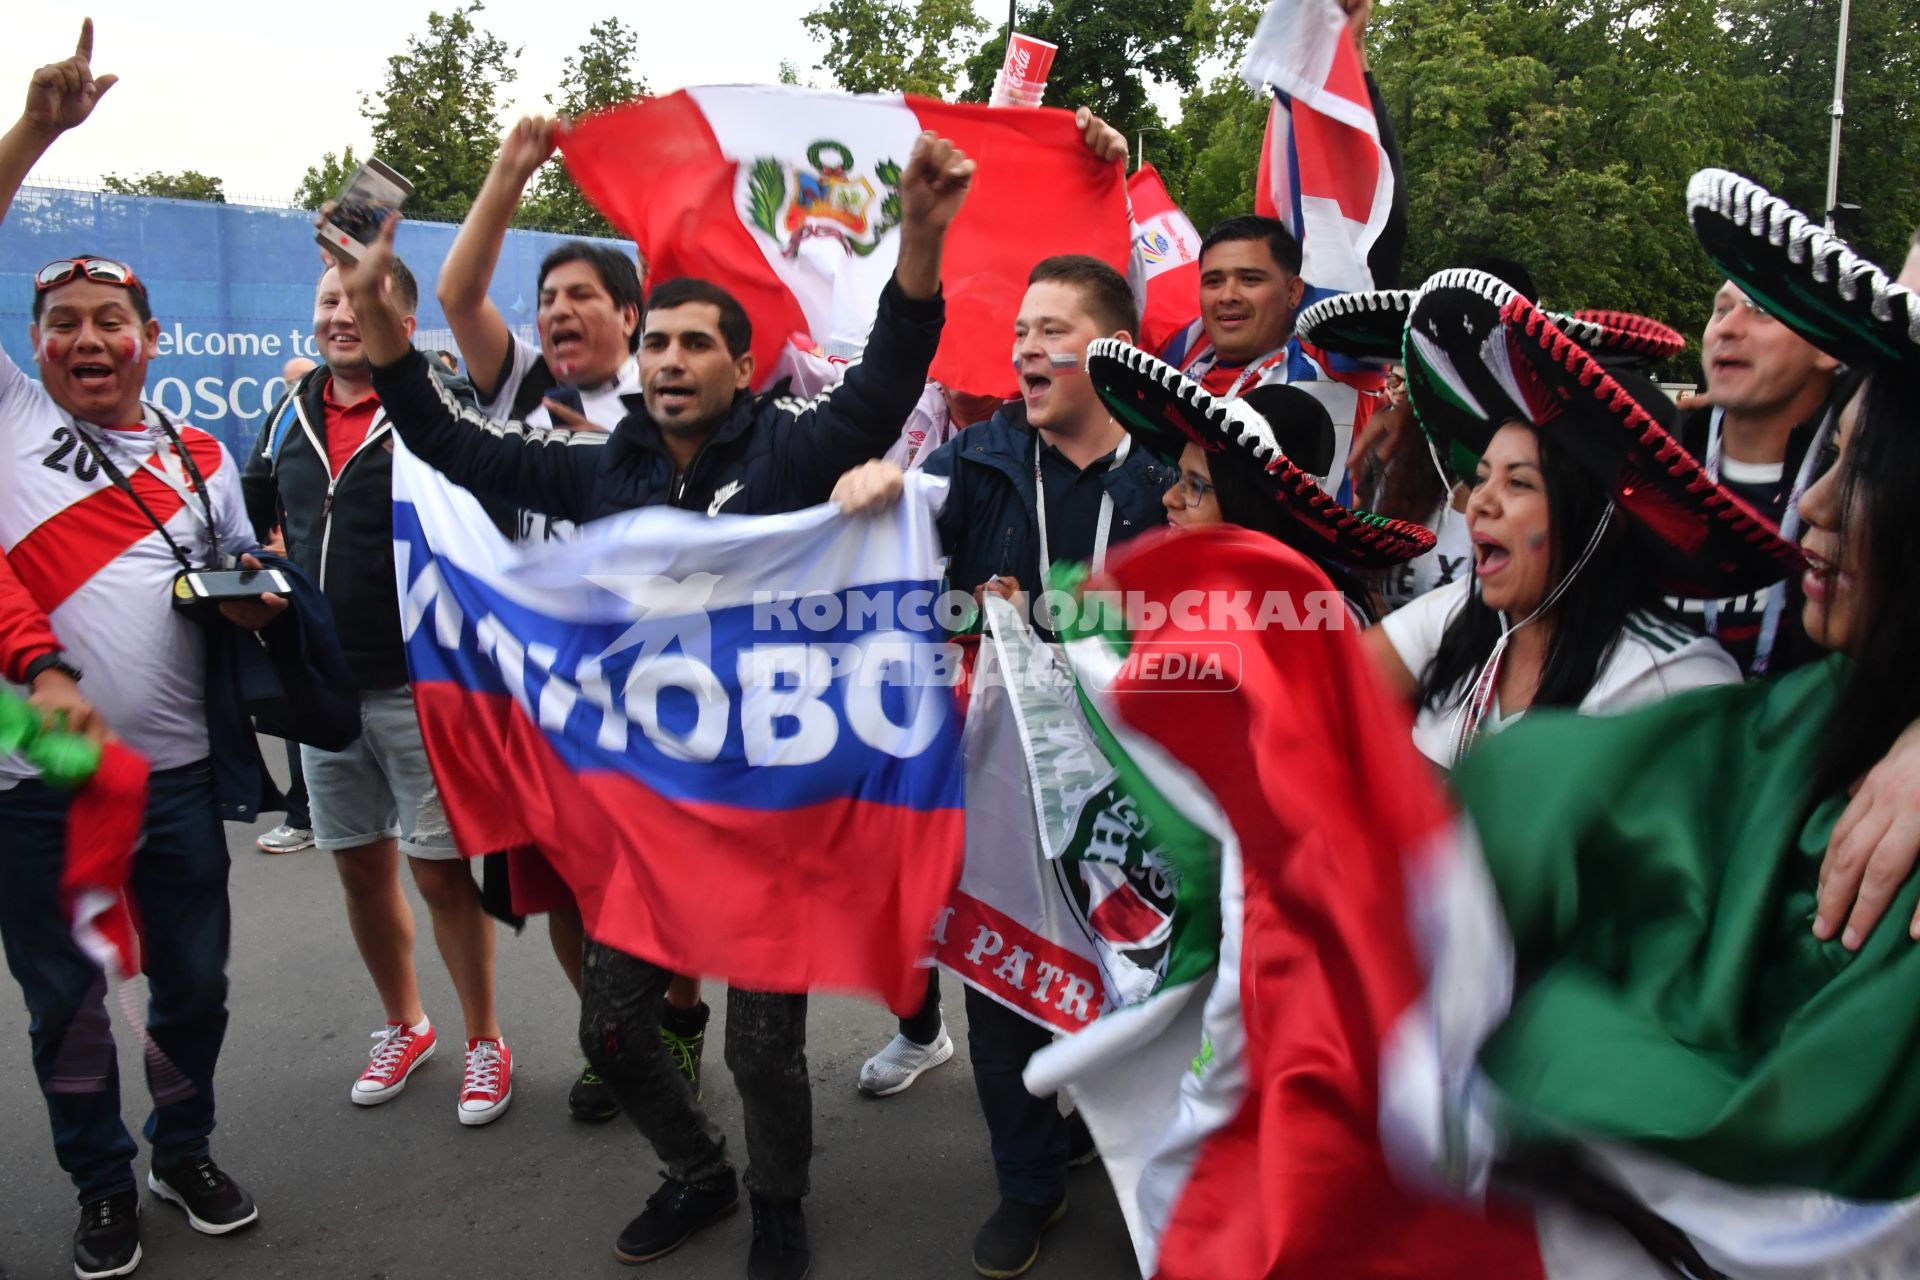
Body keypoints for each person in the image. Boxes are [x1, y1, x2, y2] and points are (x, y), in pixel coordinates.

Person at [329, 129, 975, 1280]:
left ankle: (778, 1201)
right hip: (646, 815)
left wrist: (920, 236)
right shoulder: (595, 468)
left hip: (772, 811)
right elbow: (438, 434)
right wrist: (381, 311)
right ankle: (699, 1169)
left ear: (739, 363)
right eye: (660, 344)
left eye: (695, 344)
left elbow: (883, 384)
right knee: (614, 1030)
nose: (672, 360)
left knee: (768, 1049)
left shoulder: (790, 452)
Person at [0, 25, 278, 1275]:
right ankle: (100, 1181)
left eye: (110, 319)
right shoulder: (9, 415)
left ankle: (184, 1142)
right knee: (64, 1000)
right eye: (62, 322)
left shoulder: (200, 456)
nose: (87, 339)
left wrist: (259, 602)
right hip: (26, 770)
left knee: (194, 988)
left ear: (150, 337)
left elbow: (234, 590)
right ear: (37, 342)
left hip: (171, 775)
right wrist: (36, 135)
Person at [837, 252, 1174, 1279]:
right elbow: (906, 516)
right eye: (1020, 328)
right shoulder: (979, 459)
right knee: (1001, 981)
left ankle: (1134, 1156)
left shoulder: (1173, 471)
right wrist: (882, 486)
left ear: (1112, 351)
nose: (1026, 347)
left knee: (1145, 984)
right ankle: (1027, 1182)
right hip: (1003, 781)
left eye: (1051, 329)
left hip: (1137, 794)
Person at [434, 115, 699, 1124]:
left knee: (657, 883)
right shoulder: (527, 391)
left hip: (654, 685)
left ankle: (674, 1014)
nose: (558, 312)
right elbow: (459, 295)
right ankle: (613, 1034)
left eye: (582, 295)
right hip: (538, 695)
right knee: (563, 885)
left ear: (632, 315)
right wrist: (507, 171)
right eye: (547, 300)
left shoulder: (675, 393)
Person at [241, 256, 514, 1127]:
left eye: (363, 299)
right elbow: (253, 517)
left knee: (440, 874)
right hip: (322, 688)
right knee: (360, 864)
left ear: (399, 316)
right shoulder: (286, 412)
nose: (342, 315)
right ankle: (405, 1024)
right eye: (328, 300)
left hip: (416, 682)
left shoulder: (436, 404)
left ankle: (484, 1041)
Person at [1364, 269, 1802, 769]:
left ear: (1604, 518)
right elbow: (1328, 690)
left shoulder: (1674, 685)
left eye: (1519, 482)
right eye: (1482, 477)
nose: (1481, 502)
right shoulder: (1462, 614)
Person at [1080, 340, 1436, 626]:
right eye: (1179, 478)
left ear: (1253, 506)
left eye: (1194, 485)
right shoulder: (1181, 599)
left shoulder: (1319, 623)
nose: (1169, 499)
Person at [1670, 278, 1842, 676]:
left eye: (1762, 310)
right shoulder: (1651, 462)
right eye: (1721, 309)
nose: (1727, 328)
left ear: (1827, 347)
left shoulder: (1860, 491)